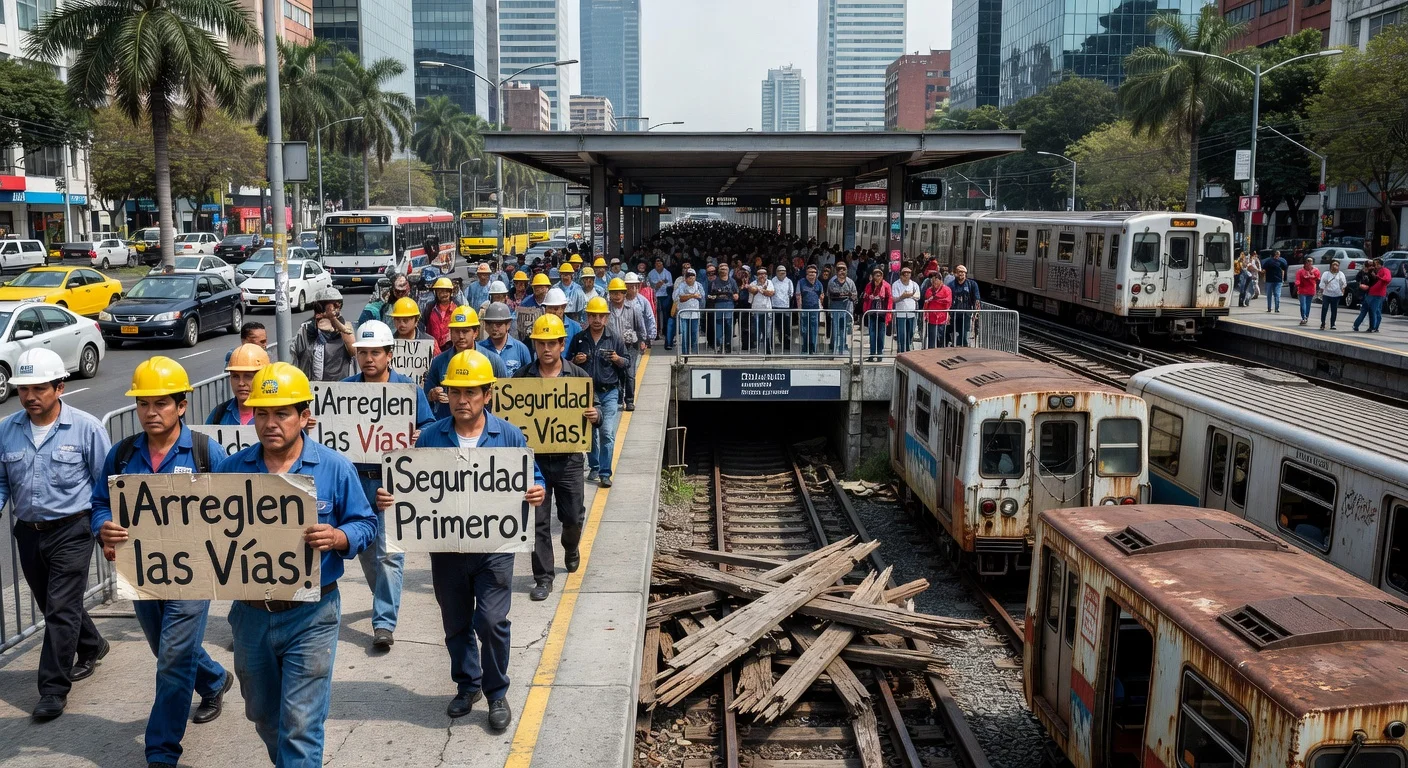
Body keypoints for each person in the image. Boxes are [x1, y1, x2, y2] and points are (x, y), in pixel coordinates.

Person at [217, 362, 376, 766]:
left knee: (301, 723)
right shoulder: (231, 470)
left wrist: (340, 537)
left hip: (313, 613)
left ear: (305, 417)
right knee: (264, 715)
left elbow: (365, 523)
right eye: (263, 413)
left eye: (282, 413)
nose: (271, 423)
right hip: (250, 615)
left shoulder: (335, 467)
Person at [377, 349, 544, 728]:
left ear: (487, 394)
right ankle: (467, 684)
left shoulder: (509, 434)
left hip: (494, 549)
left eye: (471, 393)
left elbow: (533, 476)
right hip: (447, 550)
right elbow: (411, 487)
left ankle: (496, 693)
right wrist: (391, 496)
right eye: (455, 392)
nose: (462, 400)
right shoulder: (431, 437)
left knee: (491, 621)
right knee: (455, 622)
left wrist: (536, 489)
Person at [92, 357, 232, 767]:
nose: (151, 413)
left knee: (172, 657)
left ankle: (161, 751)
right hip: (143, 573)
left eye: (161, 404)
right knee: (166, 649)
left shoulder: (207, 451)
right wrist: (104, 527)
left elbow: (233, 510)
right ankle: (214, 678)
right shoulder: (121, 455)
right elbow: (101, 503)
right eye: (143, 404)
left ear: (182, 405)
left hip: (194, 576)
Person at [0, 349, 110, 719]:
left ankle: (52, 689)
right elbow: (2, 482)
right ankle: (92, 644)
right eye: (24, 389)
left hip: (73, 530)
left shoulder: (86, 427)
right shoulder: (7, 430)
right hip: (28, 533)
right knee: (53, 604)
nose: (30, 396)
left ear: (60, 387)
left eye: (39, 388)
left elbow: (105, 484)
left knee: (60, 609)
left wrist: (104, 529)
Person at [345, 320, 436, 650]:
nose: (368, 359)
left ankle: (383, 622)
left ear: (389, 355)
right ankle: (384, 597)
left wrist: (419, 434)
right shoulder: (344, 390)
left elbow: (428, 425)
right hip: (356, 483)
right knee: (367, 552)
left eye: (375, 353)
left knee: (389, 554)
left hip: (393, 483)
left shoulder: (409, 390)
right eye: (363, 353)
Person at [515, 315, 597, 601]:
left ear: (563, 344)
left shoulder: (578, 376)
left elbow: (595, 412)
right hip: (534, 463)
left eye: (552, 343)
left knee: (572, 517)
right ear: (534, 345)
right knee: (537, 522)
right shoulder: (521, 378)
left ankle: (571, 547)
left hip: (569, 460)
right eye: (541, 343)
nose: (546, 348)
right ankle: (543, 578)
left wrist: (594, 416)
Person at [569, 296, 629, 487]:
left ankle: (605, 472)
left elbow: (627, 362)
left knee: (607, 432)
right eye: (593, 315)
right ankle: (594, 466)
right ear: (587, 316)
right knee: (590, 433)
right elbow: (567, 364)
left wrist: (617, 359)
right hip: (586, 392)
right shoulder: (579, 339)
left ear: (607, 317)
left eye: (601, 316)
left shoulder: (615, 338)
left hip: (608, 392)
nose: (597, 319)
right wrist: (575, 361)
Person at [426, 306, 507, 420]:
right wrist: (432, 395)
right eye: (456, 331)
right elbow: (426, 399)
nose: (461, 336)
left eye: (465, 331)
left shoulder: (492, 361)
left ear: (475, 332)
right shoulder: (439, 362)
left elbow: (504, 400)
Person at [290, 287, 357, 381]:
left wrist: (335, 321)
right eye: (332, 304)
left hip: (340, 387)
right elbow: (294, 356)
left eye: (337, 305)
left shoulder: (346, 327)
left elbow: (353, 351)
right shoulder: (305, 329)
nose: (335, 308)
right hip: (312, 386)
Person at [608, 277, 649, 411]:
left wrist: (643, 341)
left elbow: (641, 327)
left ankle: (629, 400)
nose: (617, 296)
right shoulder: (606, 309)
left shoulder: (634, 308)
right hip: (613, 346)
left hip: (630, 345)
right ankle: (619, 396)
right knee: (618, 372)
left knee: (630, 373)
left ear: (625, 293)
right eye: (614, 293)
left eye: (620, 292)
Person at [208, 343, 272, 424]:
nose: (241, 383)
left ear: (264, 377)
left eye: (248, 376)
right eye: (235, 376)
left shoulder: (276, 415)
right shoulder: (219, 414)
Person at [478, 302, 534, 375]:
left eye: (498, 324)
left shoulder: (521, 349)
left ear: (508, 324)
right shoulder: (479, 349)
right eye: (490, 324)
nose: (494, 328)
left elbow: (529, 378)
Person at [540, 287, 584, 358]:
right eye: (549, 308)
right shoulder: (540, 326)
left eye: (555, 308)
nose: (552, 312)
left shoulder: (575, 328)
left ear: (563, 307)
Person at [707, 262, 739, 353]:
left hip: (729, 305)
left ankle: (728, 344)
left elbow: (736, 292)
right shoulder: (713, 282)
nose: (723, 270)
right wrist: (711, 297)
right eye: (721, 268)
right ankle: (719, 344)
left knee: (729, 325)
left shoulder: (732, 281)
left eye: (725, 268)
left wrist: (736, 296)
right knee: (718, 326)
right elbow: (709, 294)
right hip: (717, 305)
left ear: (728, 270)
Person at [861, 267, 892, 360]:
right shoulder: (869, 285)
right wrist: (869, 296)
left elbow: (889, 299)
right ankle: (872, 353)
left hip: (882, 313)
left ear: (882, 276)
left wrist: (888, 313)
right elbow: (865, 296)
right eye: (876, 275)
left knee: (881, 334)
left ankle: (879, 354)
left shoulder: (886, 286)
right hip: (872, 312)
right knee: (872, 333)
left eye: (879, 275)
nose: (877, 277)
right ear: (873, 276)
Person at [1354, 257, 1392, 333]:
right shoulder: (1371, 271)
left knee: (1374, 310)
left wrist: (1377, 277)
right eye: (1375, 264)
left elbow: (1387, 279)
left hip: (1378, 294)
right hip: (1369, 293)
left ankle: (1374, 327)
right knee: (1366, 309)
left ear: (1381, 264)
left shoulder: (1384, 270)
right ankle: (1356, 325)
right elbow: (1360, 279)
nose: (1375, 265)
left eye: (1377, 264)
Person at [673, 268, 705, 355]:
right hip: (684, 314)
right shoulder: (681, 286)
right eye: (688, 276)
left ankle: (694, 353)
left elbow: (701, 297)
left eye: (692, 276)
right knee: (684, 334)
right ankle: (685, 353)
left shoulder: (699, 286)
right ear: (685, 278)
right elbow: (681, 298)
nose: (690, 278)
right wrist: (692, 296)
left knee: (694, 334)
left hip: (695, 314)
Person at [827, 262, 857, 354]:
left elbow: (855, 295)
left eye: (844, 269)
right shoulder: (832, 281)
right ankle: (835, 347)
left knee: (843, 329)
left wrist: (851, 296)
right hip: (835, 309)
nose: (841, 271)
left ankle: (843, 347)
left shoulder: (850, 282)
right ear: (836, 271)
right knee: (835, 329)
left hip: (847, 310)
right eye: (839, 269)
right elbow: (830, 295)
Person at [421, 277, 458, 349]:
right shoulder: (429, 308)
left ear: (450, 292)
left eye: (446, 291)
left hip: (452, 349)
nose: (443, 294)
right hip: (432, 348)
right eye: (440, 291)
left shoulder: (457, 308)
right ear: (436, 293)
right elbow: (422, 325)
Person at [949, 265, 982, 346]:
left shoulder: (972, 284)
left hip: (966, 314)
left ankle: (964, 349)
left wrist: (976, 313)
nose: (961, 274)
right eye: (959, 272)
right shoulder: (951, 285)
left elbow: (977, 299)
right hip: (954, 314)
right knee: (953, 334)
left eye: (963, 272)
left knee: (965, 334)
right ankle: (955, 348)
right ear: (955, 273)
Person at [920, 267, 952, 348]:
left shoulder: (947, 289)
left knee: (941, 339)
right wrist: (938, 299)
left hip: (942, 318)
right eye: (932, 279)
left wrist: (935, 298)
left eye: (936, 279)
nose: (934, 280)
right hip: (931, 318)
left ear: (941, 280)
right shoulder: (929, 290)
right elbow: (927, 299)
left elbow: (948, 301)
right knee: (932, 339)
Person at [796, 264, 825, 355]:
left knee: (814, 329)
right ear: (806, 273)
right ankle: (805, 348)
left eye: (814, 272)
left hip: (815, 309)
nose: (812, 274)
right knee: (804, 329)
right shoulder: (801, 282)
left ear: (816, 274)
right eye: (810, 272)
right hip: (804, 308)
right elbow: (798, 295)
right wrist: (799, 309)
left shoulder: (819, 283)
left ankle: (813, 348)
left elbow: (822, 295)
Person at [891, 266, 920, 353]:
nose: (906, 276)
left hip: (911, 312)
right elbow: (894, 298)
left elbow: (917, 296)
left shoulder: (914, 284)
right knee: (901, 333)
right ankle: (901, 350)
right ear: (901, 275)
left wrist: (909, 295)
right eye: (904, 274)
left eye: (908, 274)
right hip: (900, 312)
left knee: (911, 331)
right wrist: (902, 297)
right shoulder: (896, 284)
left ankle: (908, 348)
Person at [625, 273, 657, 349]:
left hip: (638, 338)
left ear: (637, 286)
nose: (631, 287)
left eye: (633, 285)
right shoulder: (620, 300)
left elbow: (650, 318)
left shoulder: (643, 301)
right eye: (628, 285)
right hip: (622, 338)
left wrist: (648, 338)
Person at [648, 257, 674, 349]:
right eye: (657, 263)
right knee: (656, 315)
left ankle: (666, 332)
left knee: (666, 314)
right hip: (655, 296)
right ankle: (656, 333)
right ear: (654, 264)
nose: (658, 265)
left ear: (663, 264)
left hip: (665, 295)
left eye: (660, 263)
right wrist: (659, 284)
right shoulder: (651, 273)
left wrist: (662, 283)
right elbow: (651, 285)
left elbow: (670, 285)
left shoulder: (667, 273)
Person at [770, 263, 795, 352]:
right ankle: (771, 344)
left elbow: (791, 294)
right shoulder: (773, 280)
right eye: (780, 271)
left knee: (786, 327)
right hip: (774, 306)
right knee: (773, 326)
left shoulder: (789, 281)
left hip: (785, 307)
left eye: (783, 271)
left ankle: (786, 344)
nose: (782, 273)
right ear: (776, 272)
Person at [1319, 260, 1347, 330]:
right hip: (1327, 294)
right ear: (1331, 266)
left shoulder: (1340, 274)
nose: (1335, 266)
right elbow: (1322, 282)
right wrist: (1322, 289)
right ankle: (1323, 322)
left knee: (1334, 309)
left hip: (1336, 294)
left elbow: (1344, 284)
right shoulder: (1326, 273)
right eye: (1334, 265)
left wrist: (1343, 290)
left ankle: (1333, 324)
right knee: (1324, 308)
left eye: (1337, 265)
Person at [1293, 257, 1321, 326]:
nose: (1309, 264)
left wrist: (1313, 276)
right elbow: (1297, 279)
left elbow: (1318, 278)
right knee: (1303, 304)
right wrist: (1297, 284)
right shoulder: (1300, 271)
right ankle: (1303, 317)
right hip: (1302, 290)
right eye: (1308, 263)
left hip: (1311, 290)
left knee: (1308, 305)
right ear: (1305, 263)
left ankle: (1306, 317)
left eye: (1311, 263)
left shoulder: (1316, 270)